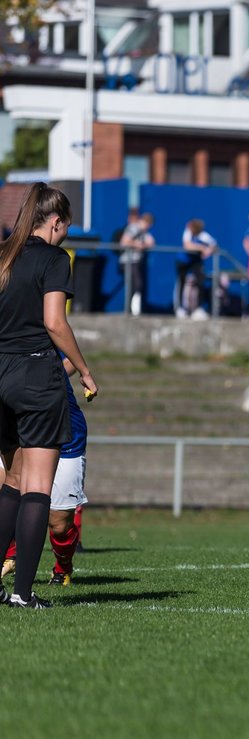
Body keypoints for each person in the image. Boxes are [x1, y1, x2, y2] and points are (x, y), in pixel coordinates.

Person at [0, 183, 98, 608]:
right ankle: (23, 593)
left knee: (11, 483)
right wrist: (86, 371)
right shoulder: (55, 259)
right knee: (38, 487)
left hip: (0, 372)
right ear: (56, 222)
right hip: (37, 375)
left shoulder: (4, 254)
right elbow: (55, 323)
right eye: (66, 228)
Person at [0, 357, 88, 585]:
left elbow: (68, 354)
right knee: (7, 491)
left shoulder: (41, 328)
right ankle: (12, 557)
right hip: (15, 425)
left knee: (59, 525)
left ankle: (62, 567)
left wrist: (83, 371)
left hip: (60, 429)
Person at [175, 218, 217, 318]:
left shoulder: (203, 235)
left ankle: (198, 308)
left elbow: (214, 245)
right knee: (181, 282)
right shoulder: (187, 233)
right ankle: (181, 308)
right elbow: (187, 246)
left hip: (195, 262)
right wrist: (202, 248)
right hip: (183, 261)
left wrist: (208, 251)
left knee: (200, 281)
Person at [120, 211, 154, 314]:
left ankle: (133, 309)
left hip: (136, 262)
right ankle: (132, 309)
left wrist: (145, 243)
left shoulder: (144, 232)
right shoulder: (134, 228)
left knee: (136, 285)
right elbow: (124, 242)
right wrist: (137, 244)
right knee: (136, 284)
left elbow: (151, 242)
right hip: (128, 261)